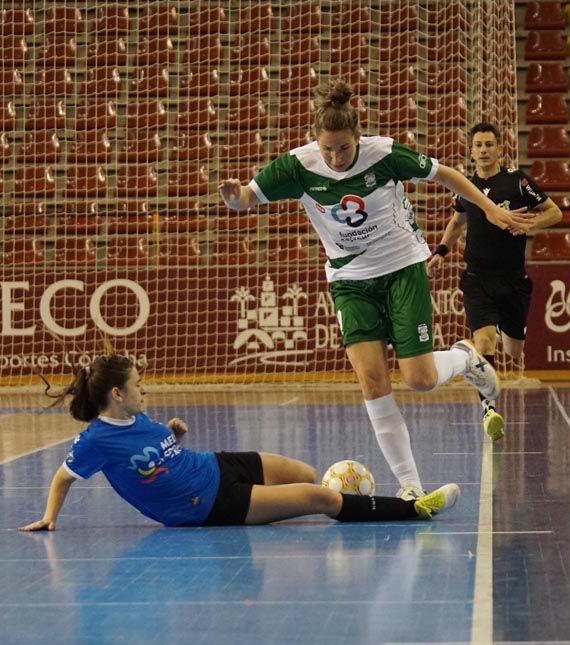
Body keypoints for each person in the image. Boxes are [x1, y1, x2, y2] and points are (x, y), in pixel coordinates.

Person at [218, 80, 533, 501]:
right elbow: (247, 199)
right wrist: (234, 197)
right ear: (316, 140)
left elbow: (447, 175)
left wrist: (490, 208)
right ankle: (411, 488)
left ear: (357, 138)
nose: (335, 157)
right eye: (327, 149)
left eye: (343, 148)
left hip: (402, 267)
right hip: (350, 281)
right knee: (372, 381)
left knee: (419, 379)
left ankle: (465, 358)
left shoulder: (383, 154)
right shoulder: (297, 167)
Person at [18, 354, 460, 531]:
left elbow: (150, 457)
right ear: (116, 394)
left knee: (305, 472)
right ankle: (413, 508)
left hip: (216, 464)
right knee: (321, 497)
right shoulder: (95, 440)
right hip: (209, 505)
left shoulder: (135, 415)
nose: (144, 389)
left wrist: (172, 437)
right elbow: (62, 478)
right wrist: (49, 518)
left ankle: (287, 503)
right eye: (138, 384)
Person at [426, 122, 562, 441]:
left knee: (513, 352)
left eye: (490, 144)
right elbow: (457, 221)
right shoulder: (467, 187)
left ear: (500, 148)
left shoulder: (518, 181)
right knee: (484, 342)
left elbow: (554, 212)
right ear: (471, 151)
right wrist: (441, 252)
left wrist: (529, 224)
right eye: (479, 145)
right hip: (477, 279)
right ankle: (489, 410)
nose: (484, 150)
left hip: (513, 281)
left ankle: (503, 331)